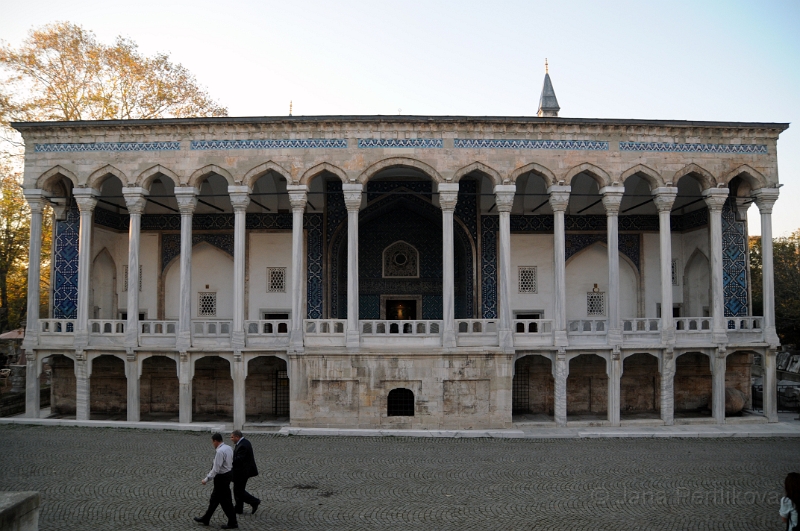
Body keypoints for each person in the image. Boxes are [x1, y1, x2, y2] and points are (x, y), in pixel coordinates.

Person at [194, 433, 238, 529]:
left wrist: (206, 479)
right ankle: (206, 518)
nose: (212, 444)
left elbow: (216, 469)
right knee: (214, 499)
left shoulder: (219, 452)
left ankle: (233, 522)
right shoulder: (228, 448)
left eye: (212, 442)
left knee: (225, 501)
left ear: (215, 441)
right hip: (228, 474)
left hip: (221, 478)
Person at [230, 430, 261, 515]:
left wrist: (229, 459)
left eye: (232, 437)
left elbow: (239, 460)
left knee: (238, 491)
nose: (231, 439)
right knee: (238, 490)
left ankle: (254, 501)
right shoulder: (243, 443)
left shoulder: (243, 445)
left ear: (237, 437)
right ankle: (239, 508)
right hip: (241, 471)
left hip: (242, 472)